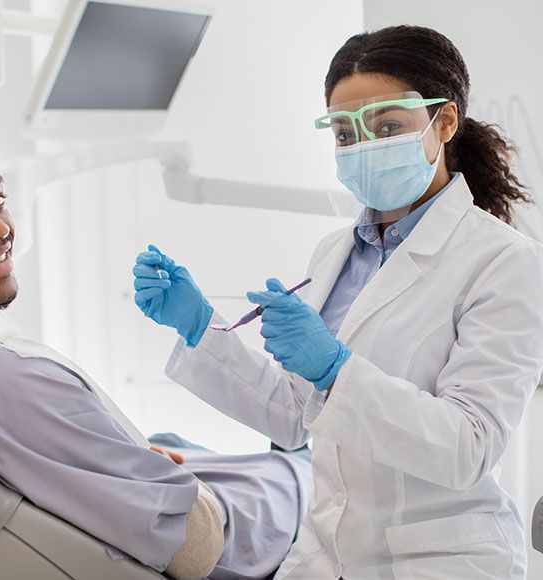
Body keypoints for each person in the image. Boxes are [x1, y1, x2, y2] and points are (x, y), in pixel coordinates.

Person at [0, 111, 313, 580]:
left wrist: (133, 461)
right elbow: (196, 548)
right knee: (306, 470)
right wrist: (172, 482)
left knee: (173, 439)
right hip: (256, 527)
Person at [133, 25, 543, 579]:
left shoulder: (504, 261)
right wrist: (199, 327)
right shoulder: (335, 252)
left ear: (444, 122)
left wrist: (335, 369)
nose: (365, 149)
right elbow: (295, 419)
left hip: (441, 559)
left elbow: (468, 448)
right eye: (346, 135)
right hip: (325, 555)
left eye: (388, 126)